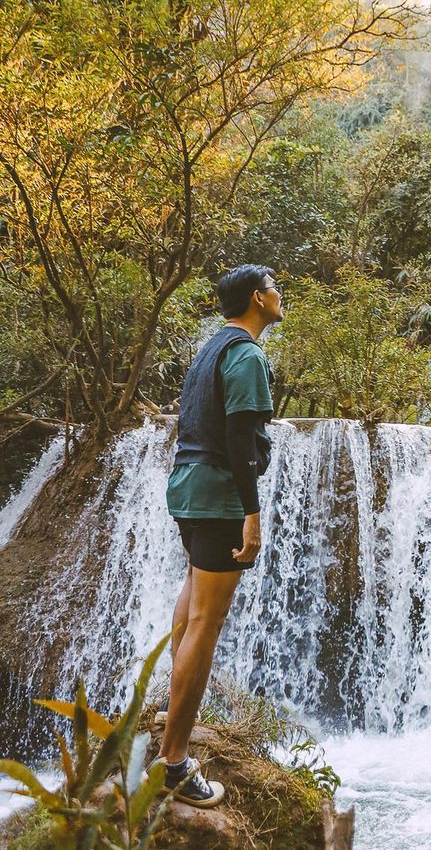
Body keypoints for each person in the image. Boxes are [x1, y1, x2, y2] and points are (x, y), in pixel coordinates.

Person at [152, 264, 283, 807]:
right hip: (216, 494)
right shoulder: (247, 353)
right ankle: (175, 762)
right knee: (208, 621)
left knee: (190, 607)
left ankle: (170, 714)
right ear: (258, 297)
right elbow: (239, 439)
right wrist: (251, 515)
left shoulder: (211, 348)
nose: (281, 297)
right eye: (276, 288)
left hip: (187, 489)